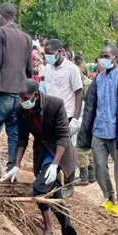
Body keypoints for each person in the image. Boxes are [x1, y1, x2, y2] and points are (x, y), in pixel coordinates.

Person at [0, 79, 79, 235]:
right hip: (41, 152)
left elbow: (63, 136)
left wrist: (54, 164)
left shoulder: (55, 104)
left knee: (40, 188)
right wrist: (16, 165)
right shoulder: (20, 109)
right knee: (53, 193)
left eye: (25, 98)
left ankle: (50, 229)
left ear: (35, 95)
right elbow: (22, 139)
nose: (22, 102)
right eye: (20, 98)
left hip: (59, 152)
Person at [77, 44, 118, 218]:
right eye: (101, 55)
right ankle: (109, 196)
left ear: (115, 57)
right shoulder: (98, 79)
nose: (103, 58)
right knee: (98, 166)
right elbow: (90, 106)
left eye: (106, 55)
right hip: (99, 129)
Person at [0, 3, 33, 179]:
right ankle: (12, 168)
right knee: (14, 132)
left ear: (0, 16)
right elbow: (29, 69)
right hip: (19, 93)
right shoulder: (26, 38)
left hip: (1, 91)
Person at [43, 38, 83, 190]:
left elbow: (79, 93)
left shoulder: (72, 69)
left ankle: (69, 185)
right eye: (46, 54)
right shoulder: (47, 68)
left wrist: (76, 118)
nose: (48, 56)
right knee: (53, 148)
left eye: (50, 53)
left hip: (67, 114)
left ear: (60, 52)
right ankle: (55, 182)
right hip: (50, 114)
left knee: (67, 150)